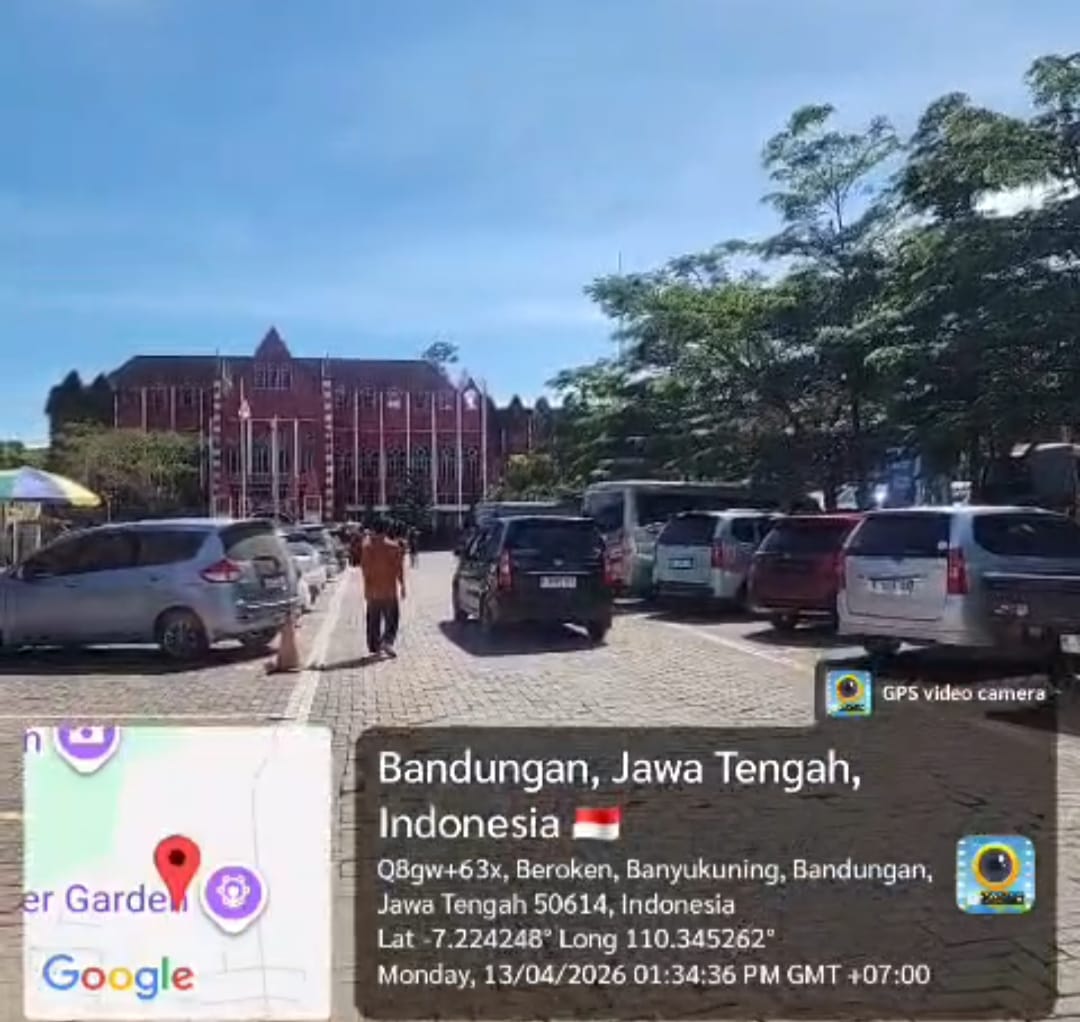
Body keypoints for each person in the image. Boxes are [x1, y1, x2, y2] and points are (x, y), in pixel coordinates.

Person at [358, 518, 406, 658]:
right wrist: (403, 585)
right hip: (389, 590)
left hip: (373, 590)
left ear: (374, 530)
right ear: (386, 530)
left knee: (373, 621)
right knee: (392, 619)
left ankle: (376, 647)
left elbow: (365, 569)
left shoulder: (367, 548)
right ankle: (387, 641)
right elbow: (399, 569)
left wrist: (366, 588)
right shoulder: (394, 547)